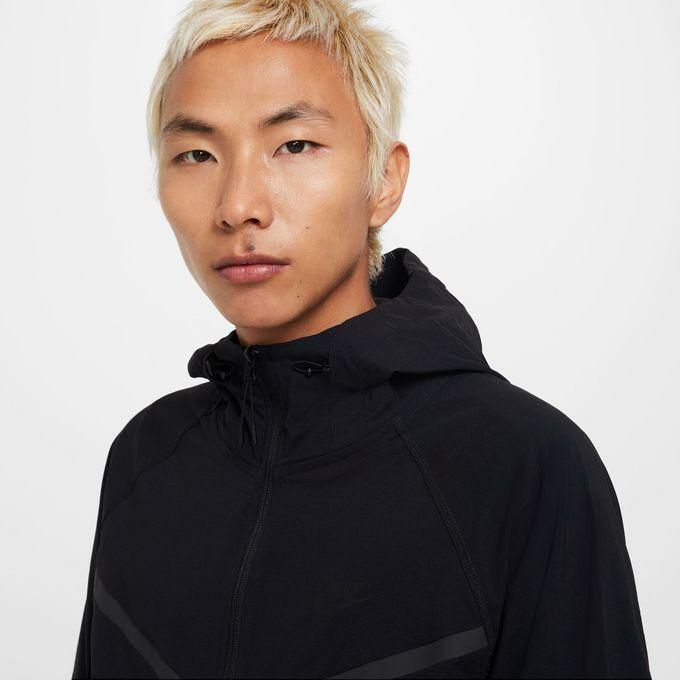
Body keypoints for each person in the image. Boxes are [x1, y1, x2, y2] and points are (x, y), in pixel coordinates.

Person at [72, 1, 651, 678]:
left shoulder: (525, 466)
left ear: (384, 181)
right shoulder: (147, 458)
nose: (237, 207)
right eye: (196, 154)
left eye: (294, 145)